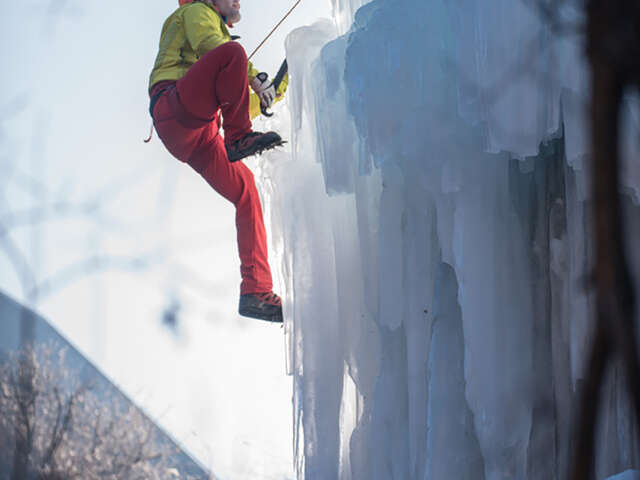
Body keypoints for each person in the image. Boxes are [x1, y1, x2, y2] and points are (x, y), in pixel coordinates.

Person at [148, 0, 286, 322]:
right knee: (233, 55)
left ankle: (256, 291)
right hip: (174, 106)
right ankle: (239, 138)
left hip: (198, 133)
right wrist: (253, 76)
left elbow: (232, 102)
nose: (239, 1)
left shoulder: (220, 42)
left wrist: (269, 95)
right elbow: (214, 47)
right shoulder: (197, 11)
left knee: (246, 191)